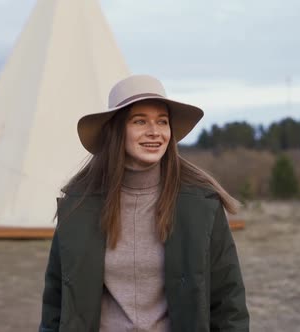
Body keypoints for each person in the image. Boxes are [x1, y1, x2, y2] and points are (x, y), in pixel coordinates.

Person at [39, 75, 249, 332]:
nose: (154, 132)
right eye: (140, 121)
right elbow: (56, 304)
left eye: (162, 121)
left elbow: (228, 303)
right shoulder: (79, 206)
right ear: (116, 130)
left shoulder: (201, 206)